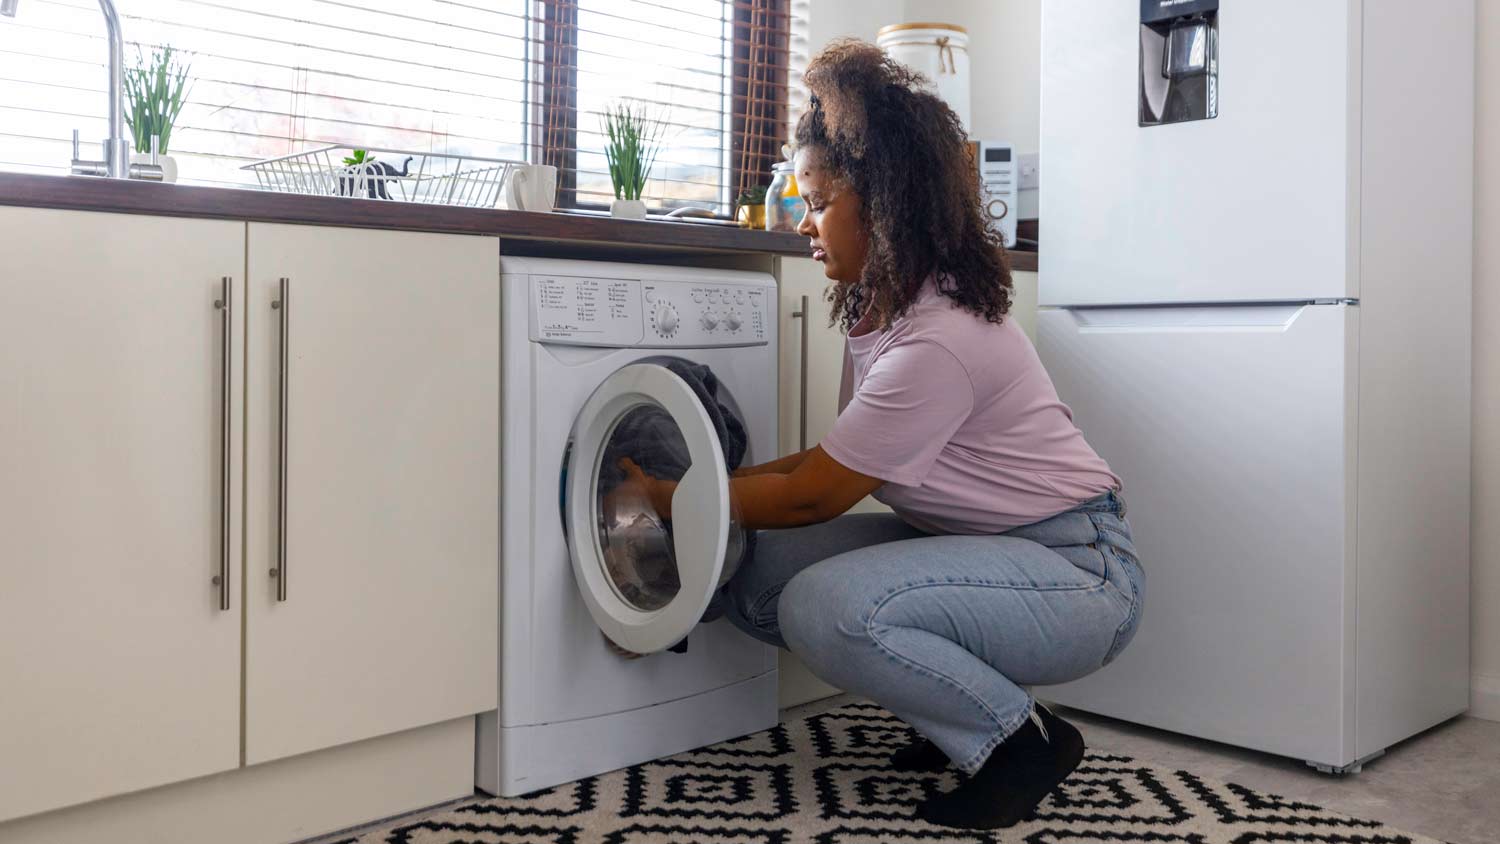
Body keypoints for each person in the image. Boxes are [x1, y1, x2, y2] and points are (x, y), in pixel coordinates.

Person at [618, 38, 1144, 831]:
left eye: (820, 202)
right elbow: (827, 462)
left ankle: (1019, 741)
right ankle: (954, 719)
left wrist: (669, 495)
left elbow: (811, 498)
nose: (804, 222)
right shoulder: (880, 310)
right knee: (757, 575)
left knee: (827, 606)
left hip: (1079, 572)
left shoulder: (938, 339)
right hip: (986, 548)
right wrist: (712, 493)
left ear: (888, 204)